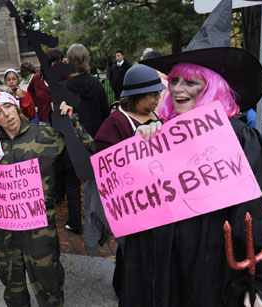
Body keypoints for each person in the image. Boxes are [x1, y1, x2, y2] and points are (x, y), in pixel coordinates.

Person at [106, 46, 262, 306]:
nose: (177, 89)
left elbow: (261, 216)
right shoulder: (158, 136)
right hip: (161, 271)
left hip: (211, 271)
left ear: (212, 88)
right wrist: (141, 151)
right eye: (173, 80)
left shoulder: (239, 139)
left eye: (190, 82)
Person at [0, 88, 94, 306]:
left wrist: (71, 123)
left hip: (40, 233)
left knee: (50, 285)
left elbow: (89, 154)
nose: (6, 115)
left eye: (8, 107)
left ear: (17, 107)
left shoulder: (45, 136)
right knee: (13, 287)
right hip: (5, 234)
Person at [91, 64, 165, 296]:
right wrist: (130, 146)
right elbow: (103, 165)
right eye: (153, 94)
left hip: (160, 200)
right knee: (132, 251)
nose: (158, 97)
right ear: (136, 96)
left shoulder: (156, 114)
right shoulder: (116, 123)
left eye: (158, 93)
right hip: (134, 205)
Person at [61, 43, 110, 234]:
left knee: (72, 184)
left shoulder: (65, 88)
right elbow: (106, 114)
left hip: (74, 143)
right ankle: (100, 222)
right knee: (97, 183)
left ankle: (75, 222)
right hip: (96, 140)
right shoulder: (97, 85)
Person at [28, 48, 64, 125]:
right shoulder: (37, 78)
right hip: (44, 121)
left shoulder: (65, 77)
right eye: (56, 63)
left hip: (62, 121)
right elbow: (30, 92)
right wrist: (39, 103)